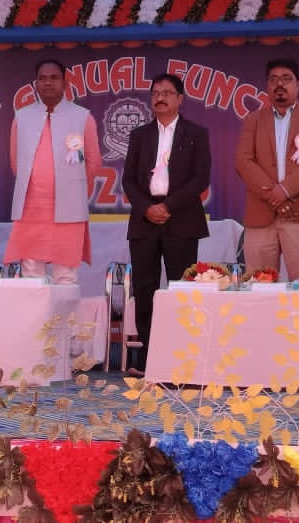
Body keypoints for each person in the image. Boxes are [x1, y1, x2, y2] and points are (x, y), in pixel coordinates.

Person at [121, 73, 211, 376]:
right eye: (155, 93)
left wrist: (168, 206)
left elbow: (201, 179)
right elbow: (128, 179)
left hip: (181, 218)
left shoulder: (196, 133)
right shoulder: (139, 135)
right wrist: (147, 208)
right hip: (144, 220)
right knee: (145, 289)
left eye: (167, 93)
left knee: (180, 290)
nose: (160, 98)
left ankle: (181, 361)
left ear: (180, 99)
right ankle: (148, 359)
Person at [235, 58, 299, 291]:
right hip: (261, 214)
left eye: (286, 79)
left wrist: (286, 190)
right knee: (258, 287)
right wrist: (275, 195)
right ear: (267, 86)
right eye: (274, 79)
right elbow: (243, 161)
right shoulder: (253, 120)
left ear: (297, 85)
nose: (279, 84)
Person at [4, 58, 102, 283]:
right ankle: (35, 309)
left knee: (65, 274)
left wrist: (73, 189)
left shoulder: (82, 117)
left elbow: (93, 162)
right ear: (35, 83)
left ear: (65, 83)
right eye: (42, 78)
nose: (48, 82)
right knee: (31, 274)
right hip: (31, 208)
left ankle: (64, 309)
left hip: (68, 207)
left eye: (54, 77)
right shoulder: (22, 117)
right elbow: (15, 161)